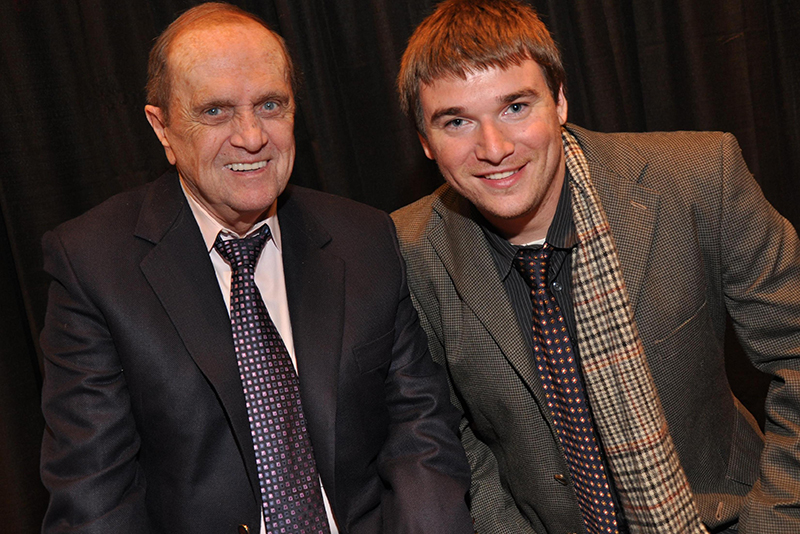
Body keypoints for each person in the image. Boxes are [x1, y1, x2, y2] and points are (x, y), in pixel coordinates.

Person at [38, 3, 473, 533]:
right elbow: (94, 496)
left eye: (271, 105)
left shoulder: (363, 238)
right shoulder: (94, 265)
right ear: (163, 129)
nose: (251, 137)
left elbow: (420, 431)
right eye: (215, 111)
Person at [391, 1, 800, 533]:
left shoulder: (699, 178)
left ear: (559, 101)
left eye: (516, 106)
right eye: (457, 121)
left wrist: (776, 522)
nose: (494, 148)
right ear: (426, 141)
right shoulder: (409, 250)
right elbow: (445, 438)